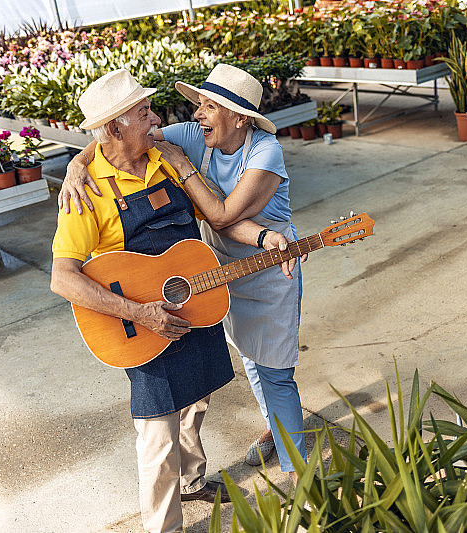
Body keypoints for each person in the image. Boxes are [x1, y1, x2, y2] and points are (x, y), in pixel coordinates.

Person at [49, 68, 295, 533]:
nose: (156, 118)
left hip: (189, 303)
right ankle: (164, 526)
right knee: (158, 434)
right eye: (144, 112)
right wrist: (138, 312)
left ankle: (193, 480)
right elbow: (63, 279)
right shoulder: (88, 192)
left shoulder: (165, 161)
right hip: (140, 324)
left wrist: (266, 237)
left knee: (196, 403)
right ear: (115, 127)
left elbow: (216, 217)